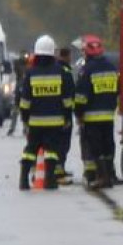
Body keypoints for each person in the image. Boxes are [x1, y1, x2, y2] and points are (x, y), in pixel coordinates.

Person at [19, 35, 75, 191]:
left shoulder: (30, 73)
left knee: (30, 150)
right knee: (51, 151)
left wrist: (25, 119)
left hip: (35, 122)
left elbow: (25, 101)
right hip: (55, 122)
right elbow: (67, 99)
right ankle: (49, 181)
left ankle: (23, 180)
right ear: (52, 53)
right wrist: (67, 117)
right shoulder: (61, 72)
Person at [74, 34, 119, 188]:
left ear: (87, 52)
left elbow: (81, 96)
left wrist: (78, 114)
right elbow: (117, 91)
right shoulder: (112, 68)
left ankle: (102, 177)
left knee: (96, 147)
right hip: (108, 116)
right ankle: (110, 175)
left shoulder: (87, 70)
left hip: (91, 118)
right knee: (108, 146)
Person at [55, 46, 76, 184]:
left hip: (56, 112)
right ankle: (58, 170)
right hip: (64, 113)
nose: (71, 58)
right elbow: (68, 95)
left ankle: (60, 168)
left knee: (60, 143)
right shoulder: (65, 71)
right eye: (70, 55)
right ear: (66, 56)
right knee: (63, 144)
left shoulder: (56, 69)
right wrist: (68, 115)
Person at [5, 52, 27, 136]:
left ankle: (25, 128)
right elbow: (15, 69)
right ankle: (12, 128)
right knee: (16, 110)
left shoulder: (29, 66)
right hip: (19, 90)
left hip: (24, 90)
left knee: (24, 111)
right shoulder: (17, 64)